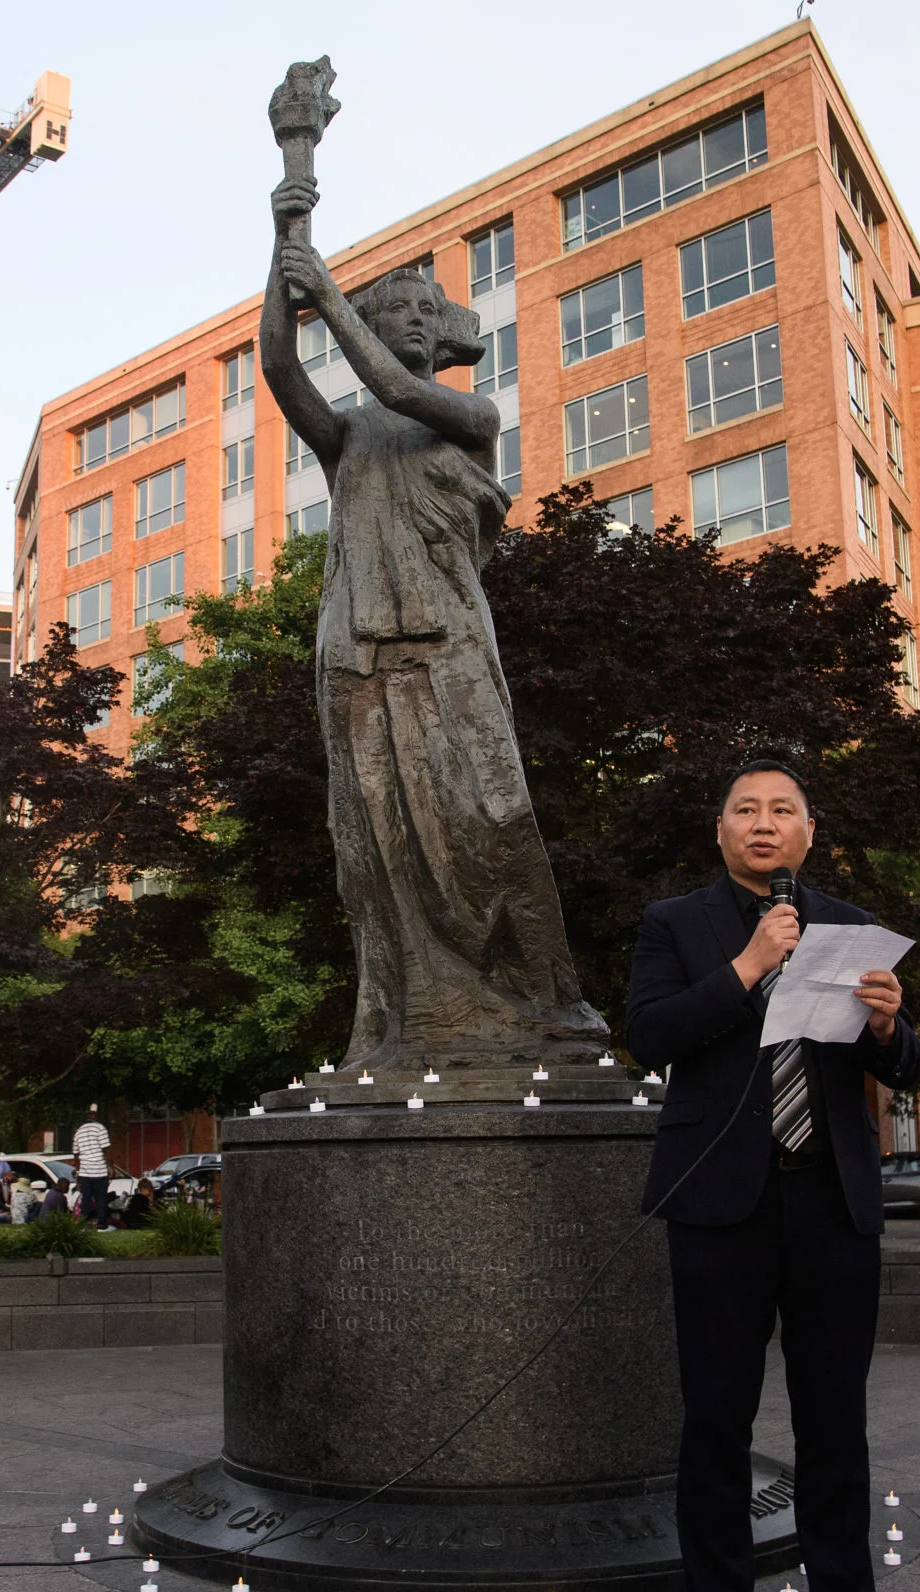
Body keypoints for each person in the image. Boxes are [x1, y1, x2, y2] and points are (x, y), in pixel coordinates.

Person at [261, 176, 609, 1071]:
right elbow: (277, 367)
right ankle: (408, 1015)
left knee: (494, 817)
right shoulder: (346, 439)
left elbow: (397, 390)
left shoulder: (469, 418)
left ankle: (547, 1001)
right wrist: (286, 233)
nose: (414, 319)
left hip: (450, 644)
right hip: (358, 653)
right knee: (372, 848)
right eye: (398, 308)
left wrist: (329, 290)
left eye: (427, 308)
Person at [624, 761, 920, 1592]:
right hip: (720, 1204)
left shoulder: (851, 927)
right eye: (746, 810)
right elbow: (650, 1035)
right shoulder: (676, 922)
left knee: (836, 1422)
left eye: (782, 810)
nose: (765, 824)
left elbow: (910, 1068)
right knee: (716, 1419)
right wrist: (749, 965)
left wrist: (888, 1028)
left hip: (831, 1201)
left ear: (808, 830)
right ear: (720, 830)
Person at [71, 1105, 112, 1225]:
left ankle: (84, 1224)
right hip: (99, 1171)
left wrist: (78, 1171)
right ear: (96, 1115)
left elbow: (76, 1154)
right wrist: (111, 1167)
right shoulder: (101, 1128)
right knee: (101, 1199)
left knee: (86, 1200)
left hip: (85, 1172)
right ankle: (101, 1225)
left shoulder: (79, 1131)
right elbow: (106, 1150)